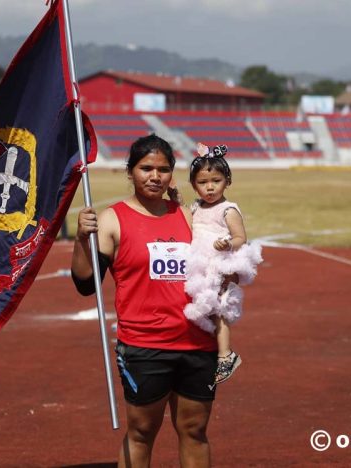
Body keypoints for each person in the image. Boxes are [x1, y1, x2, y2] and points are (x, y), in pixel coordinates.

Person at [71, 134, 235, 467]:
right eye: (146, 168)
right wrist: (79, 240)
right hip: (145, 347)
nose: (154, 176)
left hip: (197, 343)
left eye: (163, 169)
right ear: (129, 171)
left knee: (195, 429)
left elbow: (217, 262)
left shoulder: (191, 217)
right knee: (142, 431)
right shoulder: (112, 220)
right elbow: (86, 284)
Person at [181, 143, 263, 384]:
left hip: (217, 263)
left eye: (215, 181)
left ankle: (226, 354)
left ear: (227, 180)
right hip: (198, 262)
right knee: (199, 303)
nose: (209, 187)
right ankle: (200, 345)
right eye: (202, 182)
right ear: (194, 185)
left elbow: (241, 238)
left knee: (218, 309)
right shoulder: (197, 207)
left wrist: (227, 243)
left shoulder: (227, 209)